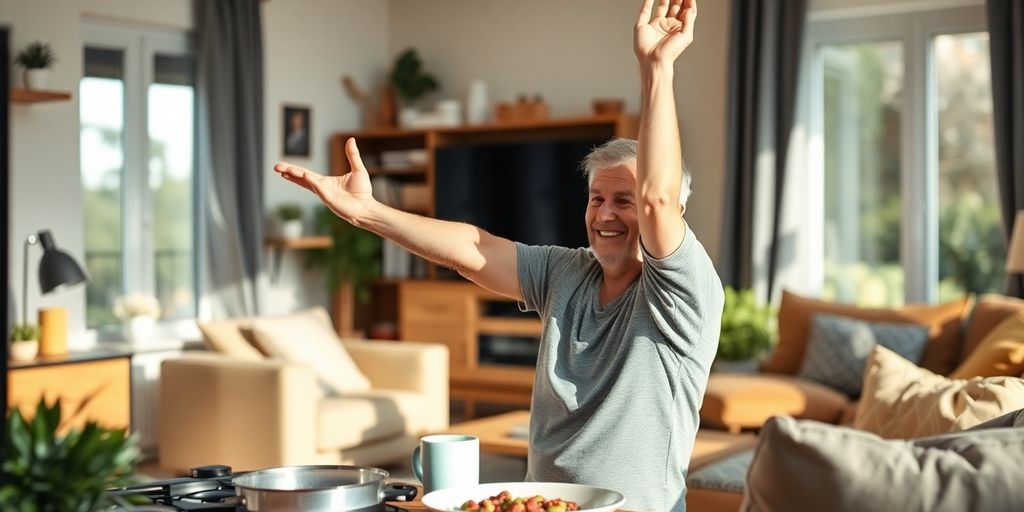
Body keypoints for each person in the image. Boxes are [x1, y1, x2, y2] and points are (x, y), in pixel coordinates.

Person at [274, 0, 721, 508]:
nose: (605, 215)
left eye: (624, 201)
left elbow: (656, 198)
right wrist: (370, 214)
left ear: (676, 210)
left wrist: (656, 67)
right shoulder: (566, 271)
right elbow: (473, 249)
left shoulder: (682, 289)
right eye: (597, 198)